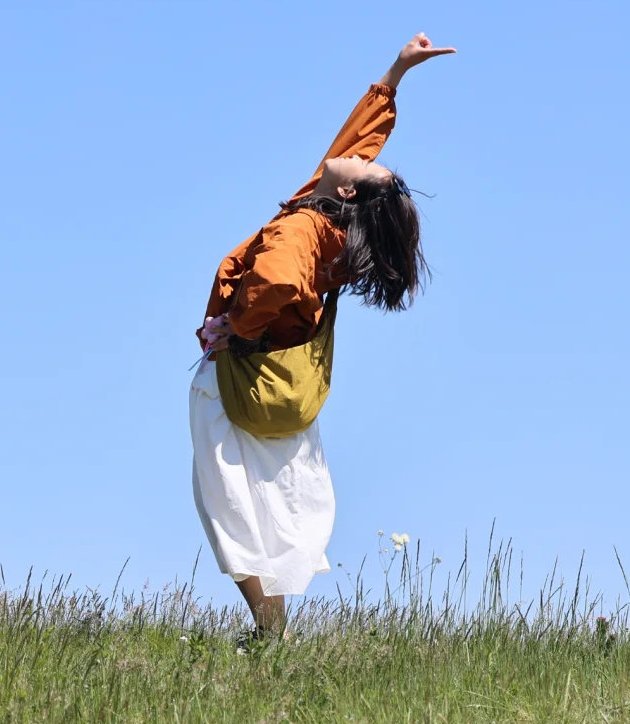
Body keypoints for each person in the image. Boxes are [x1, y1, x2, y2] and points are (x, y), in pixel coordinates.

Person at [190, 32, 455, 641]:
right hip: (290, 394)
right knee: (274, 506)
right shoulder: (330, 214)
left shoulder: (305, 229)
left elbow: (276, 278)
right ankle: (273, 632)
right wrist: (398, 70)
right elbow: (360, 138)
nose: (356, 157)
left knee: (227, 504)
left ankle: (267, 627)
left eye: (363, 168)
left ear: (347, 191)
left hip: (238, 385)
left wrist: (235, 325)